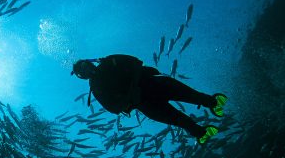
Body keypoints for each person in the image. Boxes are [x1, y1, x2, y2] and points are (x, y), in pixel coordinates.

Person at [71, 55, 227, 144]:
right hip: (146, 105)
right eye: (82, 72)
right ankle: (202, 134)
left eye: (85, 66)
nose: (86, 70)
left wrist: (133, 89)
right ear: (82, 77)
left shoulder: (108, 61)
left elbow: (136, 62)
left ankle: (213, 103)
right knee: (181, 121)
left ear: (89, 62)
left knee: (191, 95)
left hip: (156, 84)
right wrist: (130, 98)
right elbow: (114, 108)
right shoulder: (97, 89)